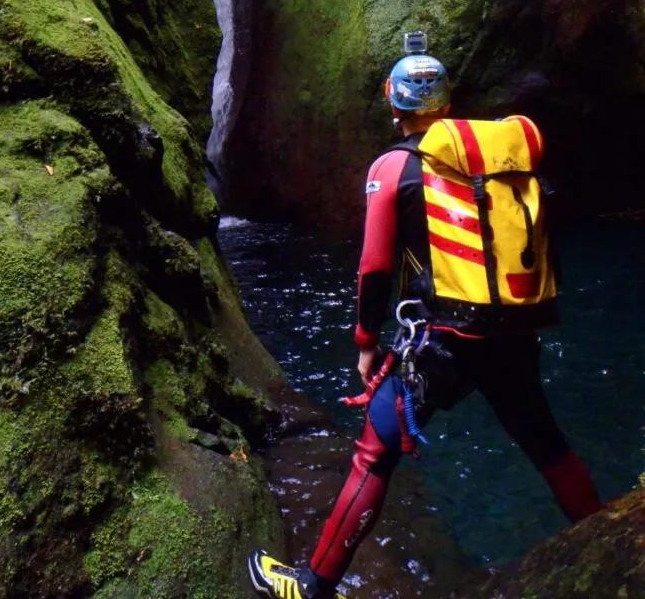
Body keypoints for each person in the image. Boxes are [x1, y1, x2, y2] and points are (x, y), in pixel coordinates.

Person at [248, 40, 602, 599]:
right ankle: (608, 539)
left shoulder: (393, 168)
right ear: (446, 102)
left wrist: (366, 340)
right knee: (546, 442)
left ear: (394, 103)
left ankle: (311, 587)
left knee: (373, 453)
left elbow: (374, 266)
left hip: (441, 345)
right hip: (511, 331)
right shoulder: (495, 161)